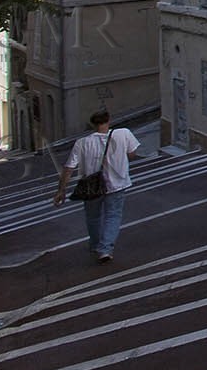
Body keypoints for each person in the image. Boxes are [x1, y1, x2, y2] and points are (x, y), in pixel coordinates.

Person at [53, 110, 141, 263]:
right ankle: (105, 249)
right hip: (117, 183)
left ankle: (95, 245)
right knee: (113, 216)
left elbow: (69, 168)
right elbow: (132, 154)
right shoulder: (123, 133)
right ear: (109, 120)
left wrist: (61, 190)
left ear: (92, 124)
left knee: (93, 217)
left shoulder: (82, 143)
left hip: (91, 186)